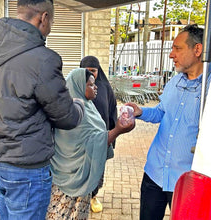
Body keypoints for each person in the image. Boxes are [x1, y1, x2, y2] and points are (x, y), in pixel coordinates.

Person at [0, 0, 84, 219]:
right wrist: (79, 104)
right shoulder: (43, 60)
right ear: (44, 18)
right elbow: (66, 117)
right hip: (28, 167)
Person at [127, 24, 211, 220]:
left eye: (178, 48)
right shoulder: (175, 81)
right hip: (155, 173)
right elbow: (161, 112)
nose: (172, 55)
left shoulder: (209, 89)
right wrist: (140, 112)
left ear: (198, 50)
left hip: (186, 182)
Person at [46, 68, 135, 219]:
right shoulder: (71, 113)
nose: (96, 87)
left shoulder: (89, 106)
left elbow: (96, 139)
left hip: (84, 176)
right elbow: (93, 142)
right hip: (67, 178)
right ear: (79, 86)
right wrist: (117, 130)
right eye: (91, 85)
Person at [80, 56, 117, 212]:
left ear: (98, 71)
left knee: (97, 170)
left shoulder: (105, 88)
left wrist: (111, 137)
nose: (90, 74)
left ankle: (93, 196)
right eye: (86, 71)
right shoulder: (75, 86)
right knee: (81, 170)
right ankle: (81, 197)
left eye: (93, 71)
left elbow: (112, 112)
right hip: (81, 140)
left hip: (101, 138)